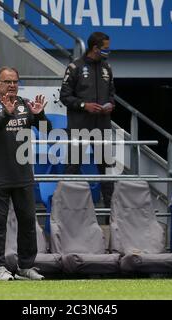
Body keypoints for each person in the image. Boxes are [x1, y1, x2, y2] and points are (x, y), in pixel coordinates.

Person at [0, 66, 50, 281]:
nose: (12, 85)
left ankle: (26, 266)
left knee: (28, 222)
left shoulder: (25, 104)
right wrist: (6, 115)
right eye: (7, 81)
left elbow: (47, 130)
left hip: (23, 175)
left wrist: (40, 116)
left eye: (15, 81)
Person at [59, 31, 116, 208]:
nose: (108, 51)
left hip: (102, 125)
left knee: (107, 170)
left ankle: (109, 215)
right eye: (106, 48)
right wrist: (85, 106)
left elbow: (112, 93)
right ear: (95, 48)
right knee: (72, 168)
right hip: (79, 126)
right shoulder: (75, 67)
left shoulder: (107, 68)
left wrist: (111, 104)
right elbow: (64, 96)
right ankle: (67, 211)